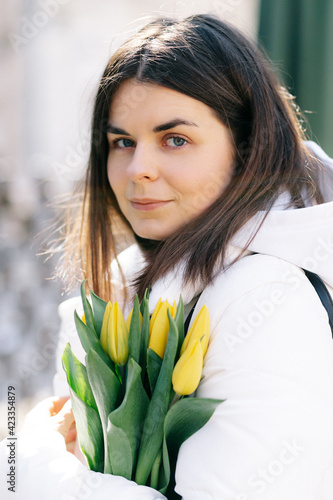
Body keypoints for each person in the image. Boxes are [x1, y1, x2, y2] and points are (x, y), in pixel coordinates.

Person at [1, 13, 333, 499]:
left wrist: (25, 462)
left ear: (248, 149)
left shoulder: (264, 296)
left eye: (175, 140)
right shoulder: (120, 288)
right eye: (122, 142)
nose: (138, 169)